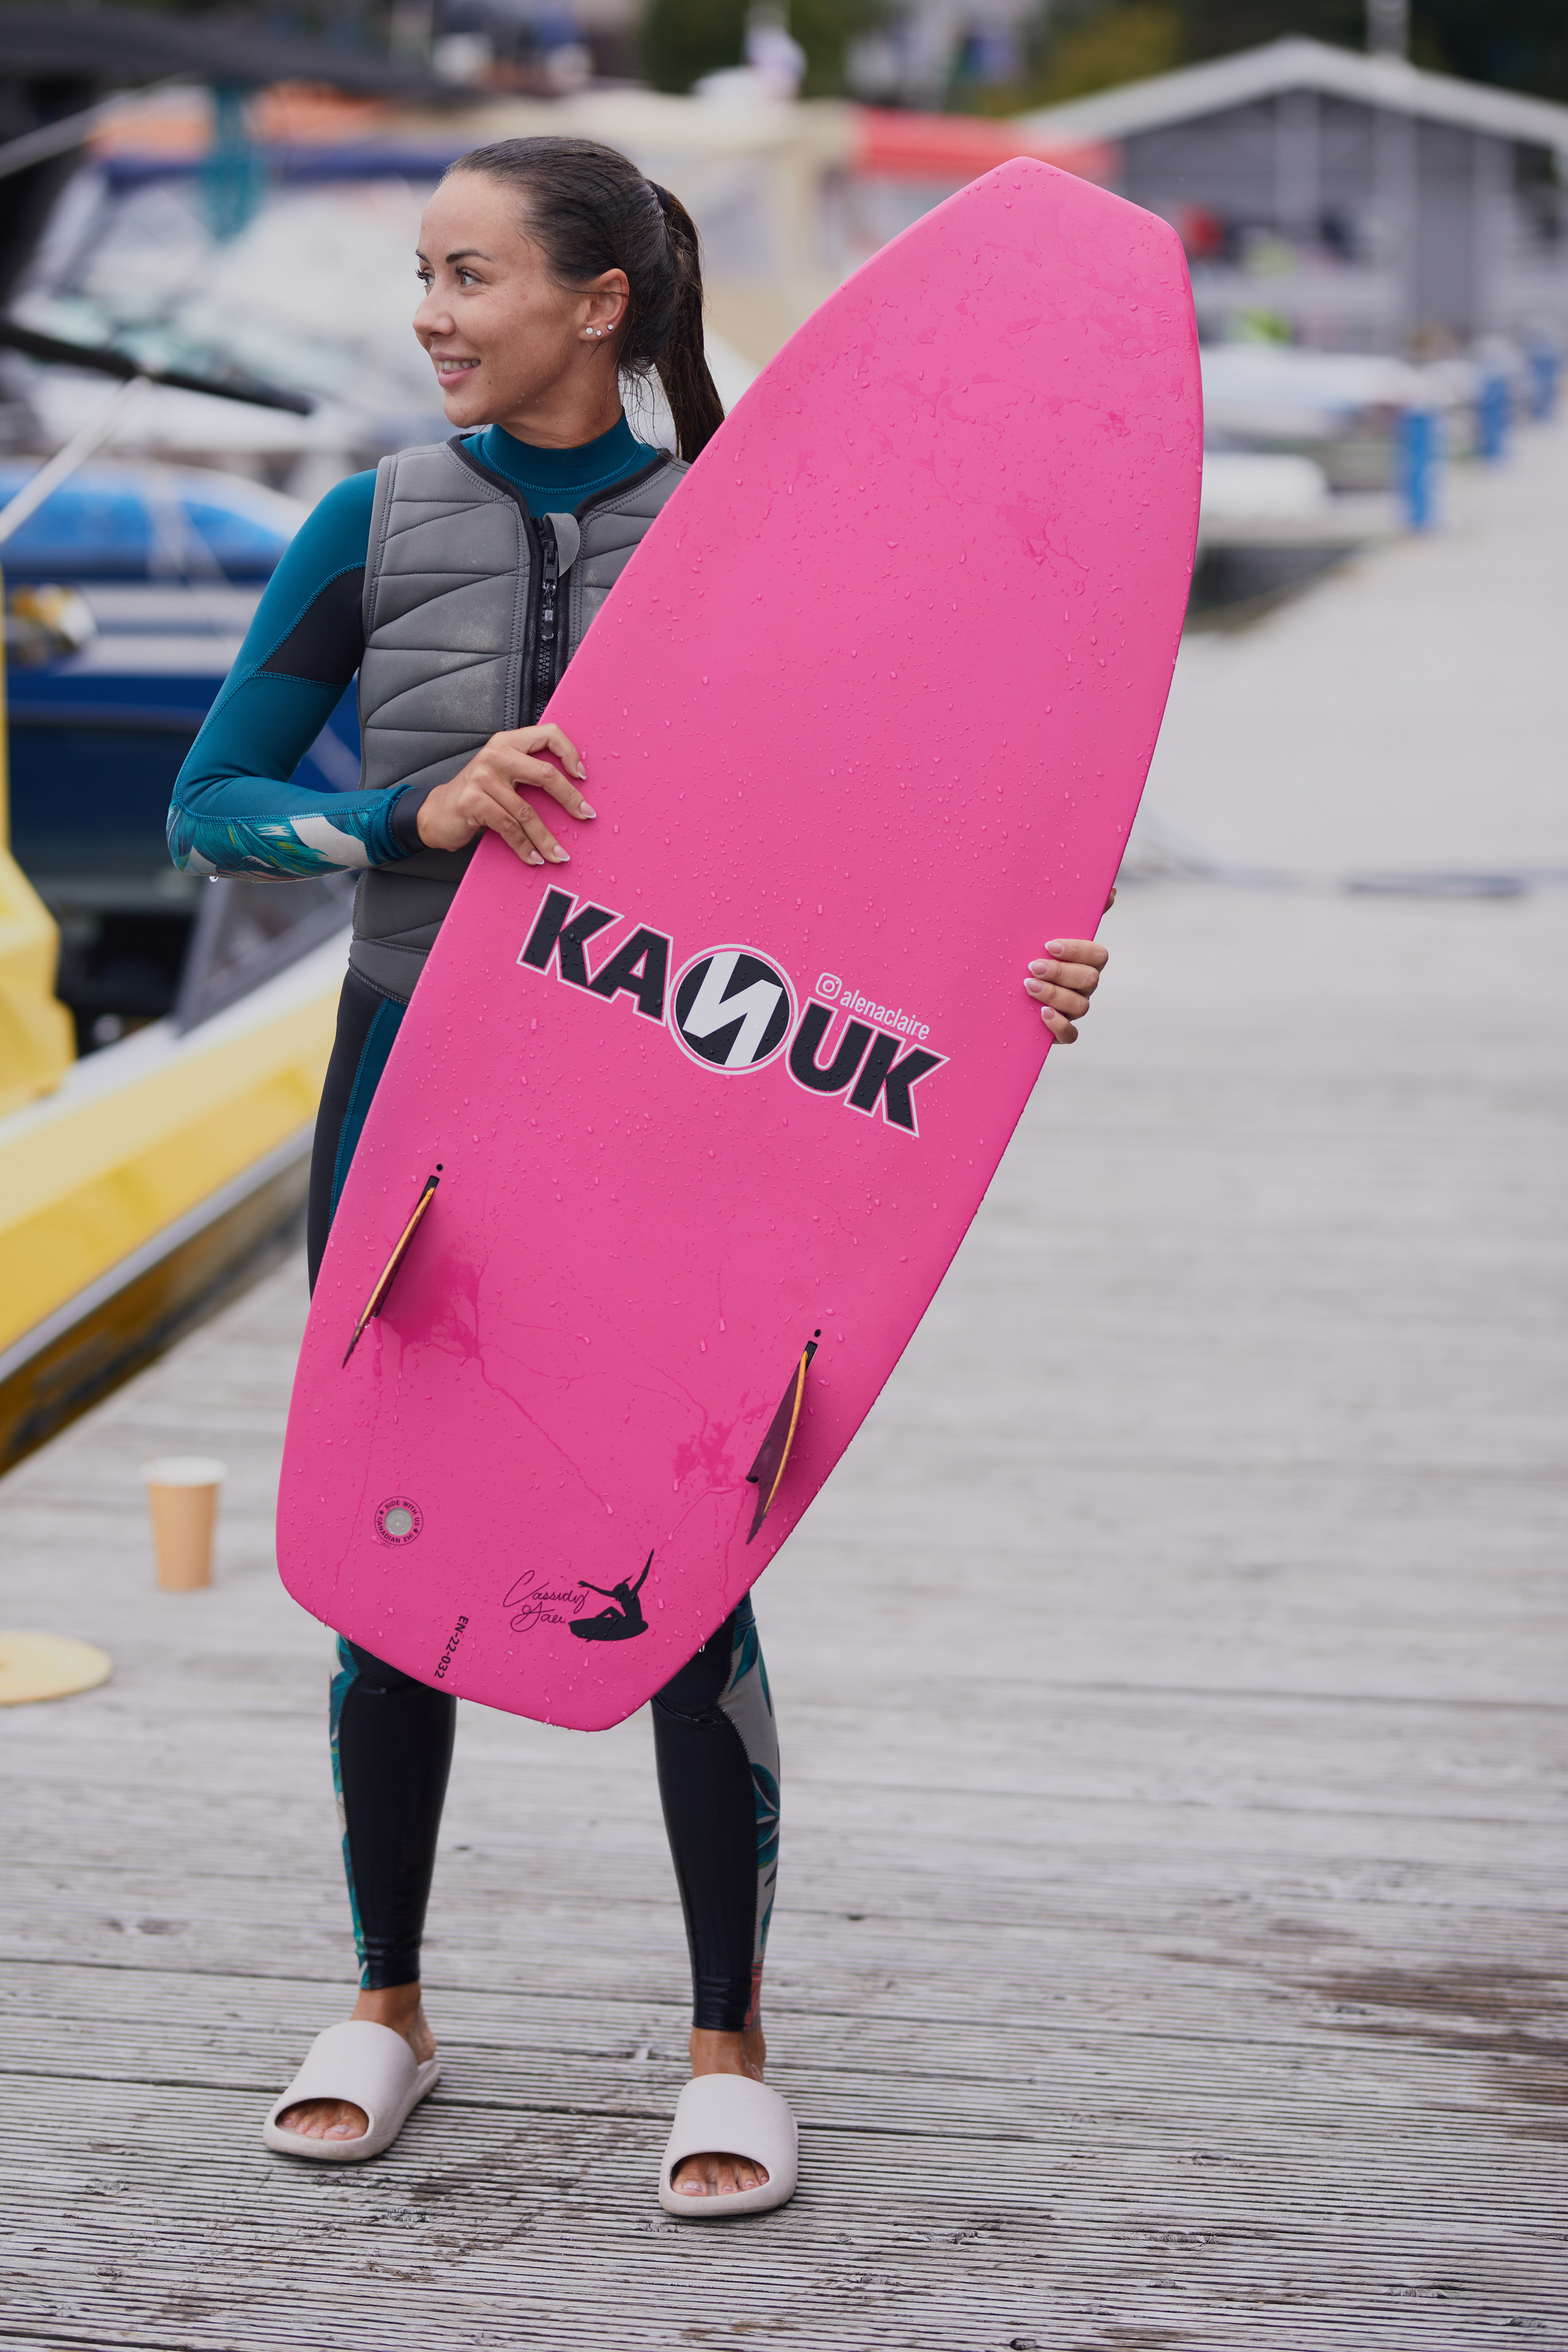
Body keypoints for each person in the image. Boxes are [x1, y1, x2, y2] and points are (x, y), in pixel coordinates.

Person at [168, 137, 1111, 2215]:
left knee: (689, 1553)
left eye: (469, 273)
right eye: (421, 270)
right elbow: (216, 803)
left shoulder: (764, 534)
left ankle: (726, 2039)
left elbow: (920, 841)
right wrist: (417, 815)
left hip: (683, 1114)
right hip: (410, 1096)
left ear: (601, 301)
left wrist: (1020, 974)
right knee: (393, 1542)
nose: (430, 311)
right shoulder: (372, 519)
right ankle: (387, 1999)